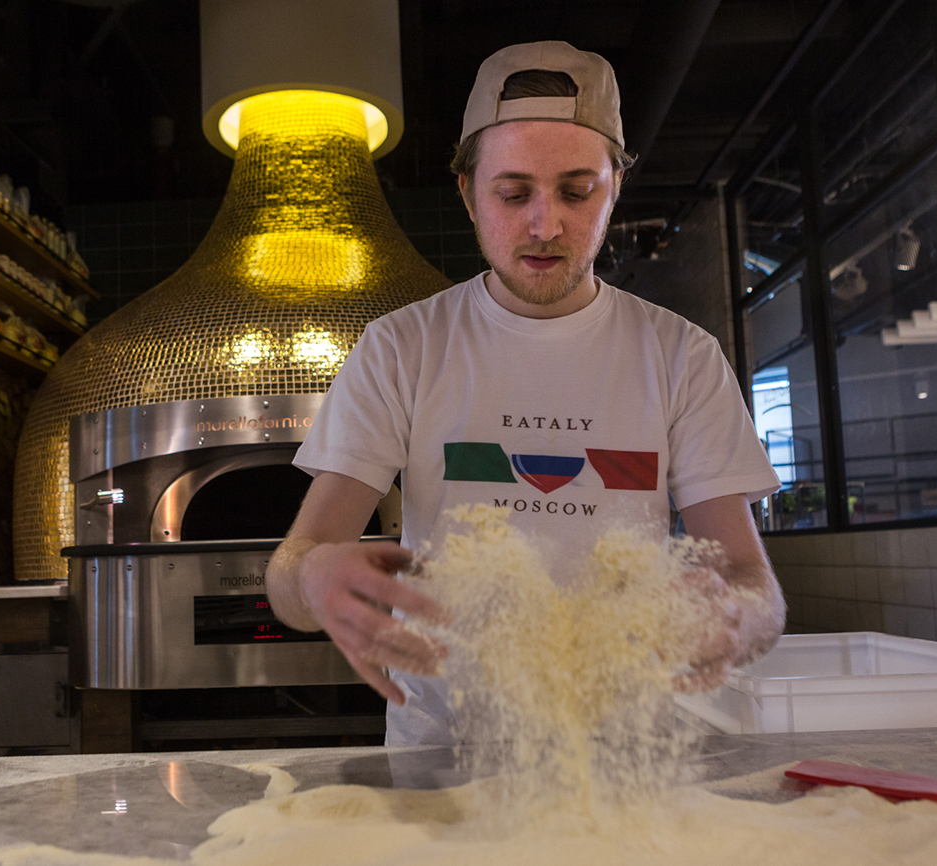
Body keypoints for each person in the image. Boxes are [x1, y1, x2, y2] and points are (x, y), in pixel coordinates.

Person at [267, 41, 785, 747]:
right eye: (513, 193)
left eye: (578, 191)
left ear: (616, 188)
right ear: (469, 193)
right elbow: (291, 573)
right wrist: (318, 578)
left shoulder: (681, 356)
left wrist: (737, 618)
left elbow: (759, 591)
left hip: (625, 754)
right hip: (442, 758)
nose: (545, 225)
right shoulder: (403, 348)